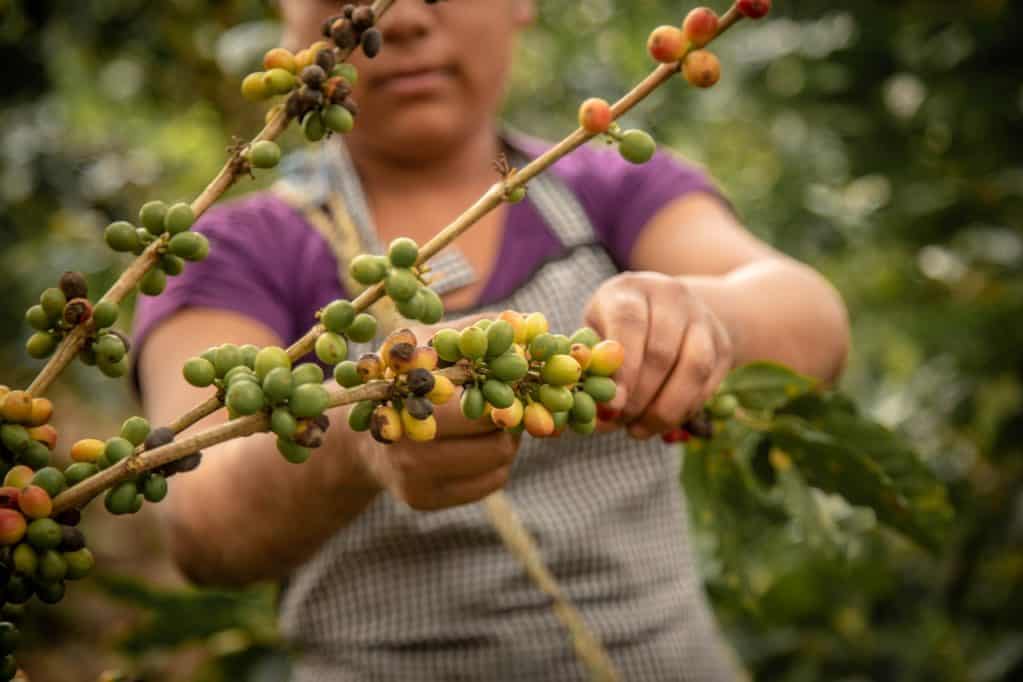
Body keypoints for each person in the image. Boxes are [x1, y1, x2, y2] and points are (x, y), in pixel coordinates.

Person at [134, 1, 850, 679]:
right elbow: (201, 524)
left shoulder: (610, 187)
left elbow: (810, 319)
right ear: (287, 19)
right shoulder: (231, 253)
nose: (405, 19)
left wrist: (699, 317)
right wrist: (356, 443)